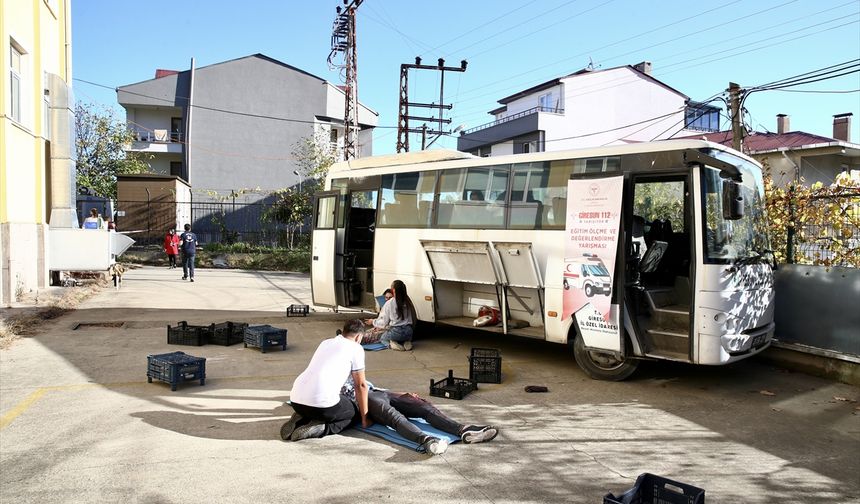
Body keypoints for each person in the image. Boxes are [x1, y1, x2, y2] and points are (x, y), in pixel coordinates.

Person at [280, 319, 371, 441]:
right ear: (359, 337)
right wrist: (365, 418)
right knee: (353, 414)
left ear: (343, 331)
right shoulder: (356, 348)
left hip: (296, 401)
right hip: (321, 407)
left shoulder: (326, 342)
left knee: (326, 402)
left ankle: (302, 417)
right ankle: (322, 428)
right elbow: (360, 385)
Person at [365, 279, 416, 351]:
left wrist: (373, 322)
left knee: (383, 338)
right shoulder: (408, 301)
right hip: (409, 332)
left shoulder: (390, 303)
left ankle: (391, 345)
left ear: (394, 290)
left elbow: (383, 322)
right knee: (402, 336)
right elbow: (413, 319)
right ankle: (407, 342)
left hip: (396, 332)